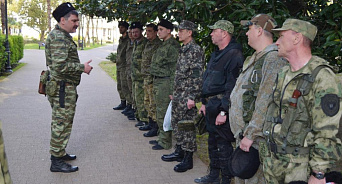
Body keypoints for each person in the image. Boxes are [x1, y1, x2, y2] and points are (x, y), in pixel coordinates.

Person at [261, 18, 342, 183]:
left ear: (296, 39)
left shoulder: (322, 77)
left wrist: (319, 173)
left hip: (299, 169)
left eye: (281, 37)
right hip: (273, 163)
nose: (276, 42)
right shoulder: (284, 73)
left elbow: (326, 131)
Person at [229, 14, 287, 184]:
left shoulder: (274, 59)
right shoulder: (255, 58)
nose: (246, 33)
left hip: (256, 140)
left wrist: (252, 134)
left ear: (259, 30)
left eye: (249, 29)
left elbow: (266, 99)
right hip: (244, 135)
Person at [194, 20, 244, 184]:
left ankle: (226, 179)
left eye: (214, 31)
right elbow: (207, 78)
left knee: (223, 146)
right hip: (210, 106)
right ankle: (214, 176)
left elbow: (232, 86)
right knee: (212, 143)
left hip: (221, 106)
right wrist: (203, 102)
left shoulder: (234, 54)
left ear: (224, 33)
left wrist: (224, 112)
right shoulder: (217, 54)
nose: (211, 34)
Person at [45, 2, 93, 173]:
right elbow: (59, 66)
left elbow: (62, 63)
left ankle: (60, 152)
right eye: (73, 20)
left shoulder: (63, 35)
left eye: (77, 20)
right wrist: (82, 68)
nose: (77, 24)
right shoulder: (58, 37)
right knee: (61, 123)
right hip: (62, 89)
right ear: (62, 20)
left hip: (63, 87)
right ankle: (56, 161)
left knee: (64, 122)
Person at [161, 20, 204, 173]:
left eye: (181, 30)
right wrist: (175, 92)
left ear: (189, 32)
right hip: (179, 95)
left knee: (187, 127)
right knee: (177, 123)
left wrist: (192, 97)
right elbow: (180, 74)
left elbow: (197, 76)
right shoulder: (184, 49)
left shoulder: (195, 50)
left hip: (187, 97)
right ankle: (179, 150)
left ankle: (188, 158)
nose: (178, 33)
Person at [149, 19, 180, 150]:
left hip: (165, 82)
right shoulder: (163, 44)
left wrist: (173, 89)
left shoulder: (172, 46)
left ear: (169, 30)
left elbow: (174, 69)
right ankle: (162, 137)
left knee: (163, 112)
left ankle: (165, 141)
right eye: (159, 29)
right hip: (158, 81)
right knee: (159, 110)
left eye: (161, 30)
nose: (159, 32)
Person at [138, 23, 161, 133]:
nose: (147, 33)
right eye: (146, 31)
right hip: (146, 78)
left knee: (153, 103)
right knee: (147, 101)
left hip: (152, 79)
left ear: (156, 32)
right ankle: (150, 123)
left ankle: (155, 127)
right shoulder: (148, 44)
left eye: (150, 31)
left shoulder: (158, 45)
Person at [130, 22, 149, 127]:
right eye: (133, 32)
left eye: (136, 32)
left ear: (141, 31)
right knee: (136, 97)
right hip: (135, 76)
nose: (134, 34)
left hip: (141, 76)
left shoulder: (145, 43)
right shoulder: (135, 43)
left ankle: (144, 119)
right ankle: (138, 115)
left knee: (141, 98)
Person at [113, 21, 130, 110]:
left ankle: (128, 104)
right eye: (119, 27)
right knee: (119, 85)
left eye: (122, 27)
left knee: (125, 85)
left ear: (126, 28)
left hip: (124, 66)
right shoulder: (121, 39)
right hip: (119, 65)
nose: (120, 29)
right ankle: (122, 102)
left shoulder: (128, 39)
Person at [122, 28, 136, 120]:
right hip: (127, 69)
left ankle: (134, 109)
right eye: (130, 32)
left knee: (134, 91)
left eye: (133, 32)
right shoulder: (129, 43)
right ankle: (130, 106)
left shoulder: (137, 43)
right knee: (128, 88)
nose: (131, 34)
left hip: (134, 71)